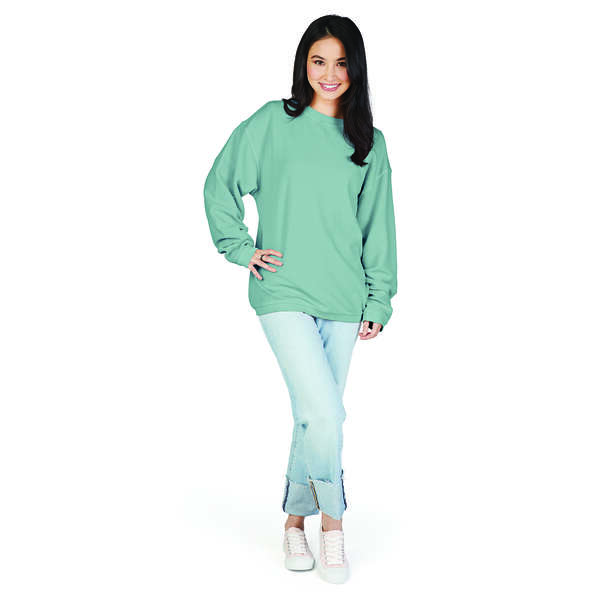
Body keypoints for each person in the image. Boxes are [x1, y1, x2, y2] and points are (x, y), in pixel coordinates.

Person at [203, 14, 397, 584]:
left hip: (345, 296)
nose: (329, 73)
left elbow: (378, 228)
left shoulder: (369, 143)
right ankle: (333, 524)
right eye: (318, 61)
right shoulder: (273, 122)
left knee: (313, 416)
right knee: (325, 412)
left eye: (341, 63)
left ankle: (293, 521)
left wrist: (378, 300)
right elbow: (219, 184)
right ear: (303, 64)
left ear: (356, 69)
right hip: (282, 288)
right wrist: (242, 249)